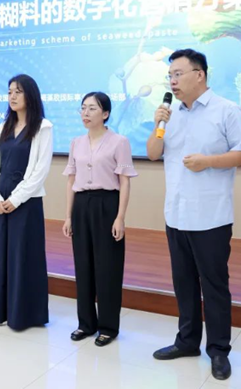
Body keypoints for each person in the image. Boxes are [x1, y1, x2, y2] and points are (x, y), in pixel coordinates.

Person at [146, 49, 241, 381]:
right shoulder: (170, 115)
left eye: (178, 74)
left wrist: (208, 161)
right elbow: (153, 154)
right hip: (176, 213)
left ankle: (219, 350)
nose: (173, 81)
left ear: (200, 74)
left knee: (214, 286)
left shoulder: (226, 110)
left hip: (211, 216)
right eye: (170, 76)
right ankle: (187, 341)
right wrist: (157, 124)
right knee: (183, 283)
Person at [62, 91, 137, 347]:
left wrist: (120, 217)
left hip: (107, 204)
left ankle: (108, 327)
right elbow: (71, 181)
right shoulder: (76, 143)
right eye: (83, 108)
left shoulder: (119, 142)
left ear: (105, 114)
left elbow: (124, 182)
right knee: (83, 266)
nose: (85, 113)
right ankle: (86, 323)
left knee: (108, 268)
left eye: (92, 108)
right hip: (82, 205)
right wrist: (68, 216)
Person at [0, 74, 53, 330]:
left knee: (22, 256)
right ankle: (1, 310)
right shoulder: (1, 127)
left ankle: (24, 315)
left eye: (18, 91)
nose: (12, 96)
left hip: (25, 202)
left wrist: (16, 199)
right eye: (9, 91)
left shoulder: (43, 127)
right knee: (0, 255)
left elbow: (40, 171)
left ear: (30, 95)